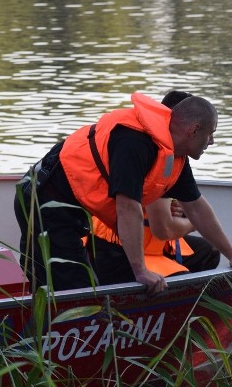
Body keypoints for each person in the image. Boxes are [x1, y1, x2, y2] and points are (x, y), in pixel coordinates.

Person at [14, 91, 232, 294]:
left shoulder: (173, 155)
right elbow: (127, 207)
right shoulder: (135, 142)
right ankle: (34, 343)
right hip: (42, 199)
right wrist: (140, 271)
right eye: (210, 134)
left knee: (76, 286)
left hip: (72, 207)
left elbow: (196, 207)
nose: (211, 142)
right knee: (75, 289)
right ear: (194, 129)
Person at [87, 90, 220, 284]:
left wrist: (181, 212)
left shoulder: (174, 155)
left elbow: (192, 204)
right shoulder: (155, 155)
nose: (211, 141)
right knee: (182, 283)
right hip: (118, 248)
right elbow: (163, 228)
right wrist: (192, 223)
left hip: (150, 245)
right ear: (187, 127)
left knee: (209, 252)